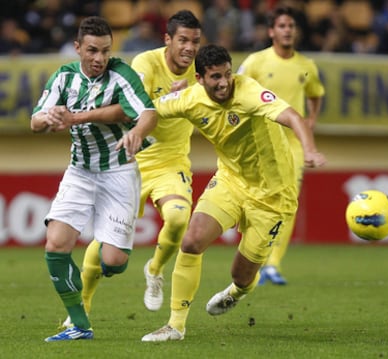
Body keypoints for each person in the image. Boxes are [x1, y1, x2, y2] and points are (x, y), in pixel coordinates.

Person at [141, 44, 326, 342]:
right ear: (199, 78)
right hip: (230, 181)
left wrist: (310, 149)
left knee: (241, 274)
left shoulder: (248, 92)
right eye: (215, 77)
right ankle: (175, 326)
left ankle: (238, 291)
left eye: (227, 74)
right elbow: (148, 107)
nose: (224, 82)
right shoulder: (189, 99)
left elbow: (292, 116)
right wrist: (127, 130)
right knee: (191, 240)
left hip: (273, 195)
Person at [63, 10, 201, 325]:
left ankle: (155, 269)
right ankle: (80, 308)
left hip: (172, 160)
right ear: (168, 40)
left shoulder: (201, 71)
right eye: (183, 40)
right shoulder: (144, 64)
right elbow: (131, 110)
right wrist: (171, 97)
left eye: (195, 41)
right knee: (105, 239)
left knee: (179, 218)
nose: (190, 48)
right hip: (132, 159)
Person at [31, 16, 157, 342]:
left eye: (104, 51)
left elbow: (147, 114)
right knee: (56, 245)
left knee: (113, 262)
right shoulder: (64, 77)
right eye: (91, 51)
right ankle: (80, 324)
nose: (99, 58)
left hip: (118, 170)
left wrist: (137, 134)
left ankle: (109, 252)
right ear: (77, 48)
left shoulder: (121, 73)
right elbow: (36, 121)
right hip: (80, 171)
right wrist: (51, 117)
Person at [237, 6, 325, 285]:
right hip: (261, 142)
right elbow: (236, 89)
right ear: (272, 31)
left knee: (288, 203)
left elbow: (315, 94)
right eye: (282, 25)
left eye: (291, 25)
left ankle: (272, 264)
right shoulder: (255, 62)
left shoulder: (306, 66)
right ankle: (255, 256)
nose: (288, 29)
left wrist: (311, 119)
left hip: (293, 144)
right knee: (255, 202)